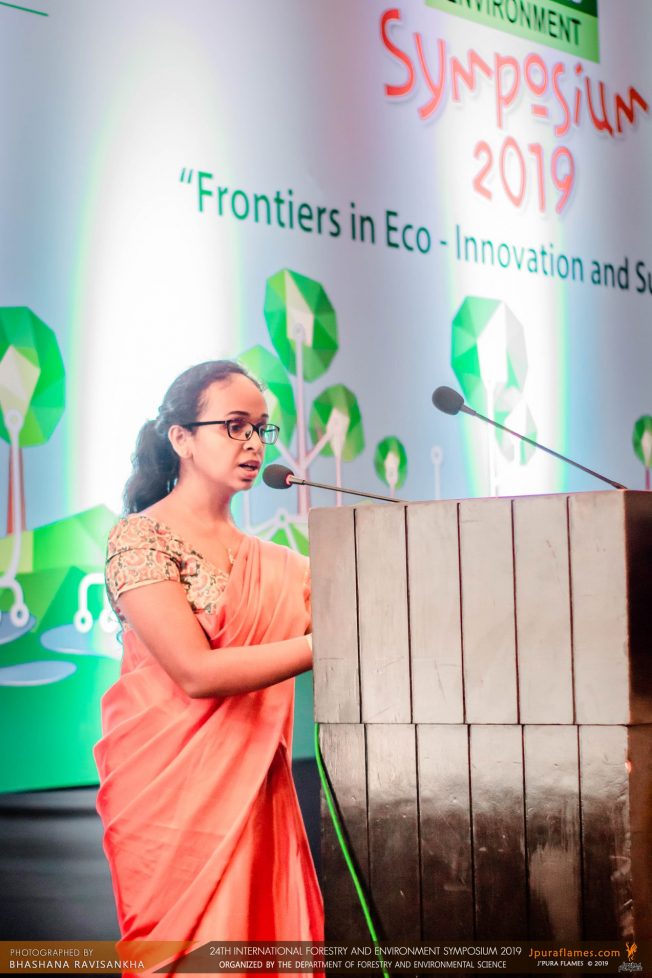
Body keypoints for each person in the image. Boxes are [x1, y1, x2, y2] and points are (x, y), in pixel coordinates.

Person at [93, 360, 324, 960]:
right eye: (234, 425)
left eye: (261, 429)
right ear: (182, 439)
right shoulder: (139, 538)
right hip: (171, 804)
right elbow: (195, 673)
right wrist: (323, 645)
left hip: (255, 792)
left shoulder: (282, 567)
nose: (253, 442)